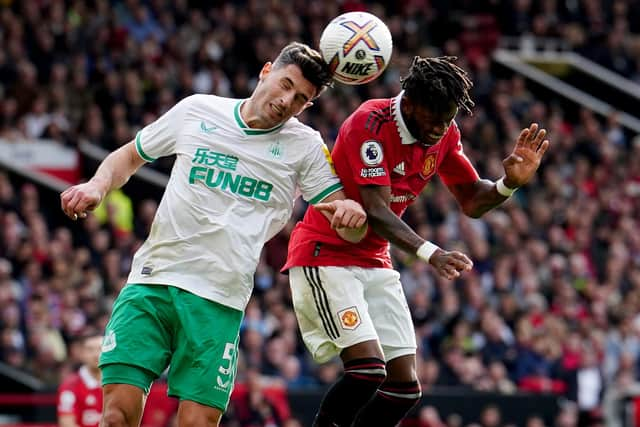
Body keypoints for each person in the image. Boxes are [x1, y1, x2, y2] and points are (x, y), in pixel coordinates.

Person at [60, 42, 368, 427]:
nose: (287, 99)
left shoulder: (304, 146)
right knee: (116, 415)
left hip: (219, 299)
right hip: (153, 281)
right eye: (285, 84)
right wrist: (97, 186)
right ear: (266, 70)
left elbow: (340, 211)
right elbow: (129, 155)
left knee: (197, 423)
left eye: (301, 98)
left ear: (307, 107)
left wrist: (350, 214)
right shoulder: (197, 110)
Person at [283, 56, 550, 427]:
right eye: (434, 118)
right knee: (367, 371)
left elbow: (472, 200)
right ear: (408, 104)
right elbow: (375, 210)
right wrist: (431, 253)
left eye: (449, 118)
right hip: (326, 254)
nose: (441, 128)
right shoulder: (370, 122)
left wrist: (509, 185)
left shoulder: (444, 132)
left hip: (374, 259)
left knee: (404, 388)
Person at [57, 330, 103, 427]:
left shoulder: (118, 383)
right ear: (82, 353)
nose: (96, 354)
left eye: (100, 349)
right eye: (90, 350)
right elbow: (66, 423)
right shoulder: (69, 385)